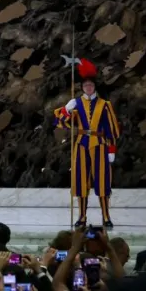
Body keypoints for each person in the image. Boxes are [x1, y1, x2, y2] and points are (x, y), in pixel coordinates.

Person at [54, 56, 121, 229]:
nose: (88, 87)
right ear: (82, 87)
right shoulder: (76, 103)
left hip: (100, 144)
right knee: (81, 181)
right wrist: (66, 110)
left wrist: (111, 149)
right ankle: (82, 217)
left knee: (103, 181)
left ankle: (106, 217)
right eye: (86, 85)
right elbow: (60, 123)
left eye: (91, 85)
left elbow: (111, 128)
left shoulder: (104, 104)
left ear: (94, 87)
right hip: (82, 144)